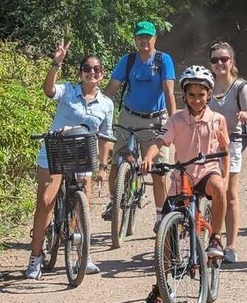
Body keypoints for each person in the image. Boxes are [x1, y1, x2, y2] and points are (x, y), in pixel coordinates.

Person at [139, 65, 229, 303]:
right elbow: (160, 141)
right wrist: (148, 156)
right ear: (184, 96)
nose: (197, 99)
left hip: (207, 172)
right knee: (165, 233)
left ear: (209, 95)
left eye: (201, 94)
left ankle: (216, 239)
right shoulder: (176, 119)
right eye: (192, 95)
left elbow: (225, 150)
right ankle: (161, 286)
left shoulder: (217, 119)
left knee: (219, 188)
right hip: (182, 176)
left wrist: (226, 177)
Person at [26, 41, 114, 279]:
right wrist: (57, 62)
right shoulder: (68, 91)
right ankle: (35, 258)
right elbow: (48, 90)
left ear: (102, 73)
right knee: (46, 201)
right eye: (87, 68)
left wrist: (103, 167)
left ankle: (85, 255)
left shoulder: (106, 104)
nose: (92, 72)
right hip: (55, 150)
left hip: (83, 154)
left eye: (96, 68)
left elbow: (106, 137)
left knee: (81, 205)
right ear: (80, 72)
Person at [103, 21, 176, 232]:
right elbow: (112, 89)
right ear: (134, 39)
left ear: (154, 39)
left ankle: (160, 215)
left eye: (148, 37)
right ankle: (114, 200)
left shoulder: (163, 60)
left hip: (155, 120)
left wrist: (173, 122)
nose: (144, 41)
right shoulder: (128, 60)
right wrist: (96, 110)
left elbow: (169, 92)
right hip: (128, 116)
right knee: (116, 162)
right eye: (139, 37)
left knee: (158, 170)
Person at [207, 41, 247, 263]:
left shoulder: (240, 87)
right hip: (206, 144)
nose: (220, 63)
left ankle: (230, 245)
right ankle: (210, 238)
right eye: (215, 60)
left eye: (224, 59)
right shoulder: (205, 85)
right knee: (207, 191)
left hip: (231, 144)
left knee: (230, 194)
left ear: (232, 62)